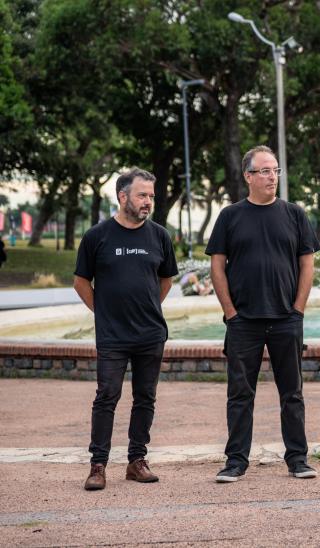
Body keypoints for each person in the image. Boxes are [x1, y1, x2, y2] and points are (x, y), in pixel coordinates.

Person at [206, 145, 320, 483]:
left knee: (292, 393)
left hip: (286, 318)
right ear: (249, 177)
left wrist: (298, 310)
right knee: (240, 394)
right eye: (265, 171)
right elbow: (216, 266)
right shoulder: (230, 216)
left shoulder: (294, 214)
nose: (272, 176)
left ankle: (298, 459)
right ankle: (236, 461)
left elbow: (307, 263)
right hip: (243, 322)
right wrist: (230, 313)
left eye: (275, 171)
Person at [73, 168, 178, 491]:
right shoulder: (97, 236)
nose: (148, 202)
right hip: (113, 336)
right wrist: (104, 313)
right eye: (142, 195)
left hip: (150, 333)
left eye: (151, 196)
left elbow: (166, 279)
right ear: (123, 197)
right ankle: (98, 465)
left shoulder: (159, 235)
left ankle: (136, 461)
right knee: (107, 396)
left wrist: (148, 309)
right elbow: (80, 282)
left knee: (145, 398)